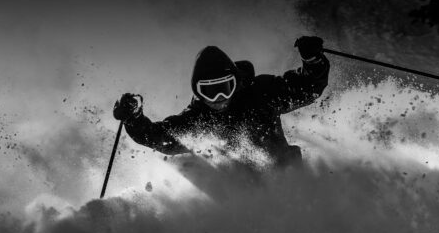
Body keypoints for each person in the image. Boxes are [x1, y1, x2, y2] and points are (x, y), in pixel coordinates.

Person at [113, 36, 330, 167]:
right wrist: (133, 119)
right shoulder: (199, 118)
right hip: (239, 183)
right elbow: (161, 138)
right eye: (209, 92)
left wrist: (313, 60)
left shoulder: (260, 94)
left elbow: (307, 88)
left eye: (225, 88)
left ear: (236, 82)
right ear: (198, 92)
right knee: (193, 159)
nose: (219, 99)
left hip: (283, 172)